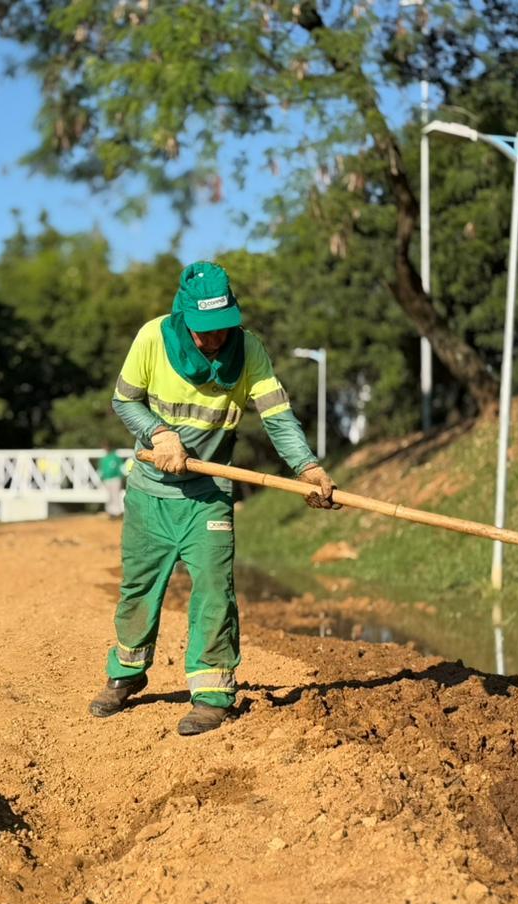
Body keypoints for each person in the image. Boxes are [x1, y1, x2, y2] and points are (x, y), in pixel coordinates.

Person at [89, 261, 338, 736]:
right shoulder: (151, 339)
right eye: (205, 330)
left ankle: (212, 694)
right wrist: (157, 433)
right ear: (184, 317)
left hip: (209, 495)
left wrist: (307, 468)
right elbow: (124, 401)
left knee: (214, 593)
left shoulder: (250, 353)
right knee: (139, 589)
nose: (215, 338)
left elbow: (277, 417)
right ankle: (125, 674)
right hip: (150, 495)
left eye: (223, 326)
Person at [98, 443, 126, 519]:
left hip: (115, 478)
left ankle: (117, 512)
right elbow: (101, 469)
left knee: (115, 495)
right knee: (109, 496)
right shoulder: (104, 459)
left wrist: (121, 476)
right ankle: (110, 512)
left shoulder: (116, 457)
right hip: (107, 479)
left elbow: (121, 467)